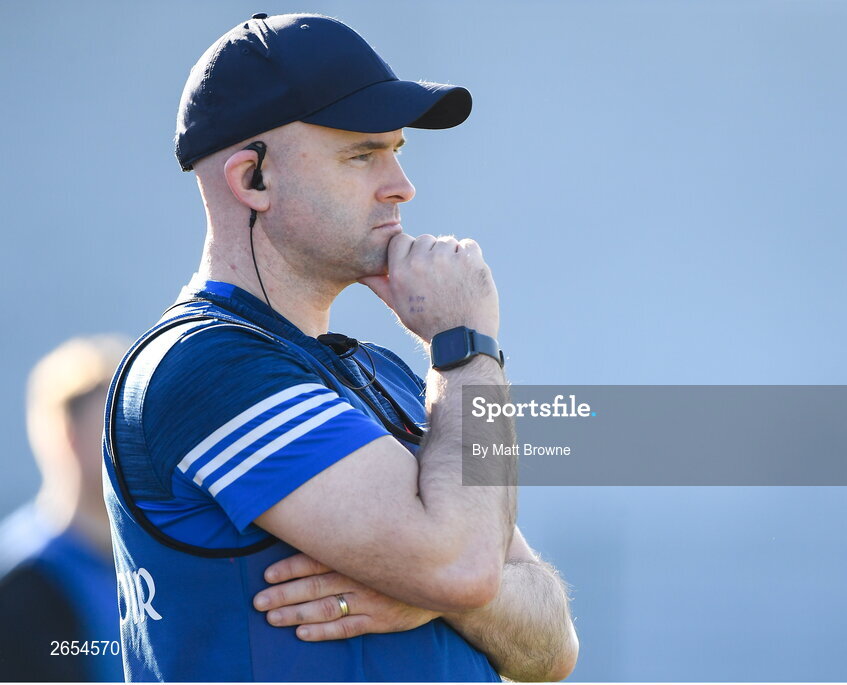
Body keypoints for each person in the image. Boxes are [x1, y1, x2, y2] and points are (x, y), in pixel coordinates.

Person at [103, 12, 578, 682]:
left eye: (397, 151)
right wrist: (466, 344)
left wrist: (432, 592)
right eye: (361, 154)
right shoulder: (202, 365)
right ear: (253, 180)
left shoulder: (384, 373)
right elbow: (466, 564)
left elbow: (552, 643)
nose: (401, 186)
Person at [0, 335, 127, 681]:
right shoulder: (25, 578)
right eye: (111, 431)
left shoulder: (141, 560)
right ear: (67, 437)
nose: (129, 448)